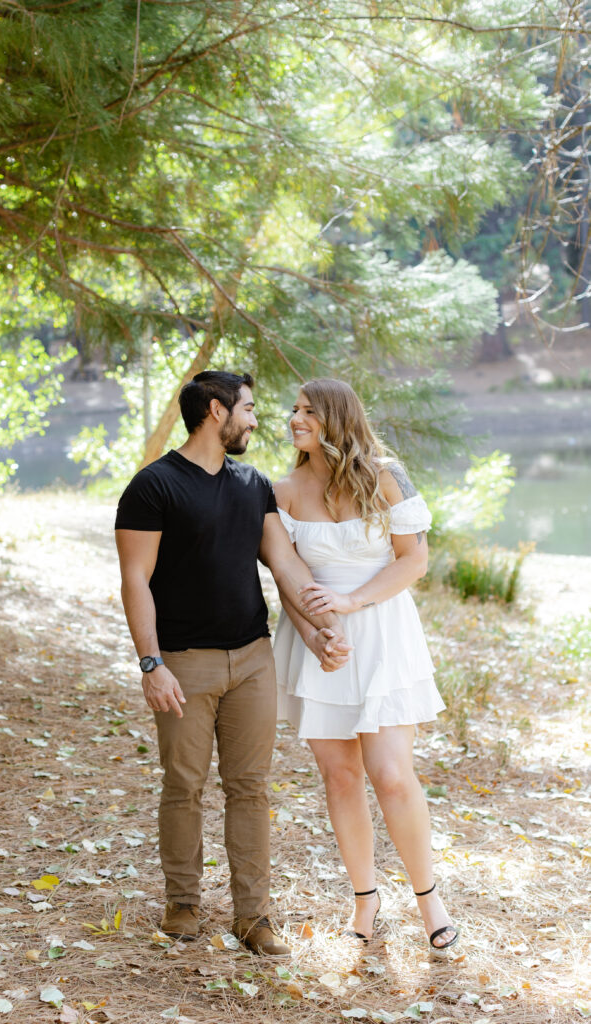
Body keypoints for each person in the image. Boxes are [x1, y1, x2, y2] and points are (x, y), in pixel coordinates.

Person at [114, 370, 350, 957]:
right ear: (216, 411)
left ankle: (253, 917)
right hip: (183, 664)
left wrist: (325, 628)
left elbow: (287, 566)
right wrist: (151, 663)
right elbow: (134, 581)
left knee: (250, 788)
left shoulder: (253, 486)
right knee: (184, 786)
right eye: (248, 408)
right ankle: (184, 905)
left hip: (251, 660)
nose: (256, 418)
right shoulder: (152, 486)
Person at [273, 378, 459, 952]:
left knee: (392, 773)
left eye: (308, 411)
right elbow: (287, 580)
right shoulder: (282, 491)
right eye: (293, 409)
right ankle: (364, 898)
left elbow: (415, 560)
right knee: (340, 775)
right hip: (318, 642)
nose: (294, 418)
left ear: (336, 417)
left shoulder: (384, 474)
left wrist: (352, 603)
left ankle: (429, 899)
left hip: (381, 632)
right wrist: (317, 634)